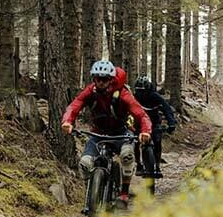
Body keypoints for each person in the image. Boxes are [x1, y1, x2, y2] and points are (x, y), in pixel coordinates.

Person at [61, 60, 152, 204]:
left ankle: (124, 191)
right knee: (85, 163)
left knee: (127, 156)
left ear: (110, 80)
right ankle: (91, 193)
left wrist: (145, 131)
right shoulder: (91, 91)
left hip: (120, 132)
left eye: (104, 79)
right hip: (98, 133)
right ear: (94, 79)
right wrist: (67, 121)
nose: (101, 82)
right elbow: (75, 105)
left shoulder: (122, 94)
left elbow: (140, 114)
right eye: (98, 79)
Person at [133, 76, 177, 178]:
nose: (141, 93)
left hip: (154, 123)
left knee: (157, 141)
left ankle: (157, 166)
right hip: (138, 124)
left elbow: (167, 109)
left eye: (143, 91)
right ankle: (139, 164)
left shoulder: (155, 96)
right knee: (135, 142)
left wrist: (171, 123)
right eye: (139, 91)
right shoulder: (134, 97)